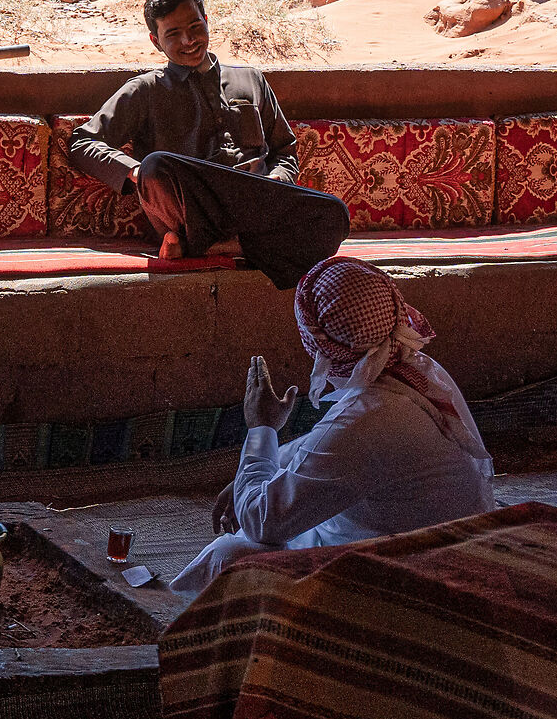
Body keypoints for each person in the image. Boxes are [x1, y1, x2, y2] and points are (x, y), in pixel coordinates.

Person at [169, 256, 494, 597]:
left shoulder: (365, 417)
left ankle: (184, 628)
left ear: (317, 342)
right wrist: (263, 466)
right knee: (271, 529)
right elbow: (331, 446)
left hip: (413, 577)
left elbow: (262, 522)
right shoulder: (417, 372)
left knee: (228, 558)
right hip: (440, 546)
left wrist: (261, 429)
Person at [65, 0, 349, 288]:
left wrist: (279, 179)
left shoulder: (251, 80)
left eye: (194, 27)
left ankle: (217, 248)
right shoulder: (146, 89)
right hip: (193, 207)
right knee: (154, 165)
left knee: (334, 215)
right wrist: (133, 172)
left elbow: (284, 149)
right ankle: (215, 240)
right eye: (173, 34)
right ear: (156, 41)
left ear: (206, 22)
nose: (188, 40)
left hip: (257, 198)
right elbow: (83, 141)